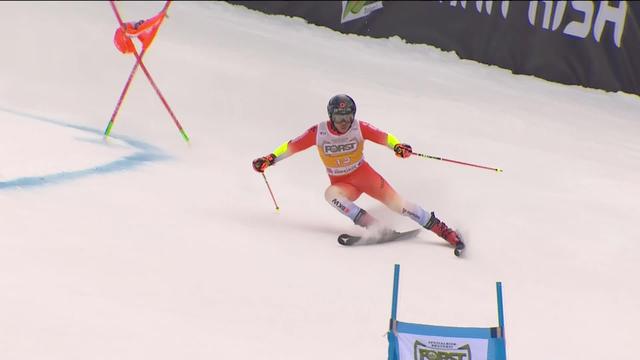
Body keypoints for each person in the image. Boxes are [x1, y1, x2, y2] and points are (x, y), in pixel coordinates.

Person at [252, 94, 464, 254]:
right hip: (345, 185)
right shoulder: (318, 133)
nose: (344, 123)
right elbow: (291, 147)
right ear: (330, 116)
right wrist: (270, 159)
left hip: (365, 177)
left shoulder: (359, 128)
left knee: (399, 205)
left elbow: (385, 137)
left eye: (348, 117)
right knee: (330, 194)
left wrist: (398, 147)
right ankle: (374, 226)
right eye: (339, 117)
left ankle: (445, 232)